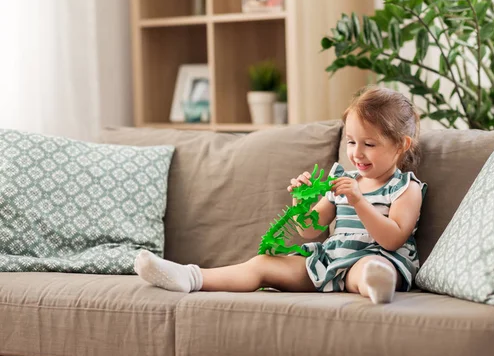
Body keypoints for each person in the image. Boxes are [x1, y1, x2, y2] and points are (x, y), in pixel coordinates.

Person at [134, 86, 427, 304]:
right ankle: (190, 276)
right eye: (351, 141)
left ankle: (378, 286)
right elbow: (310, 229)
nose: (357, 153)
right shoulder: (343, 179)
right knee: (262, 264)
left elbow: (392, 238)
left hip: (374, 258)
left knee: (367, 268)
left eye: (370, 144)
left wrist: (359, 202)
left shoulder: (405, 188)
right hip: (328, 262)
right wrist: (301, 200)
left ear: (401, 145)